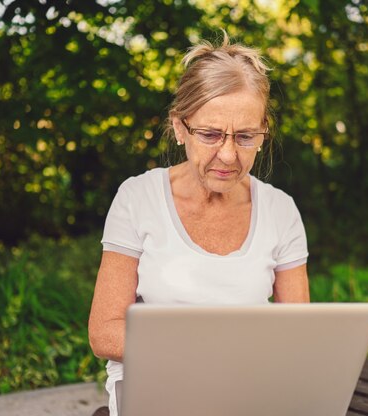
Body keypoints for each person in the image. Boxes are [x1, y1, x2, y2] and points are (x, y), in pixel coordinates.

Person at [88, 32, 310, 416]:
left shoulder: (281, 210)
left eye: (245, 136)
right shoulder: (137, 198)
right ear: (179, 127)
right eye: (209, 134)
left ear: (263, 134)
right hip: (157, 384)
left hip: (246, 388)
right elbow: (104, 331)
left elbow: (299, 333)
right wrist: (204, 353)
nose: (227, 154)